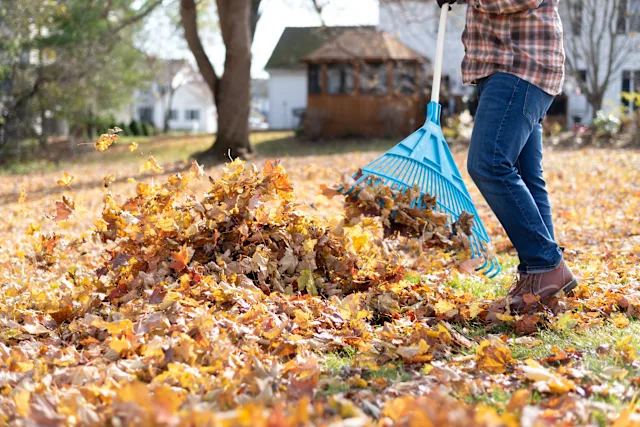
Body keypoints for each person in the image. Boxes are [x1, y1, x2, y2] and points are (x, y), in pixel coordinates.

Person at [436, 0, 577, 312]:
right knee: (526, 175)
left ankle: (546, 264)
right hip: (507, 67)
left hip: (520, 65)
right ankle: (542, 280)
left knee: (489, 163)